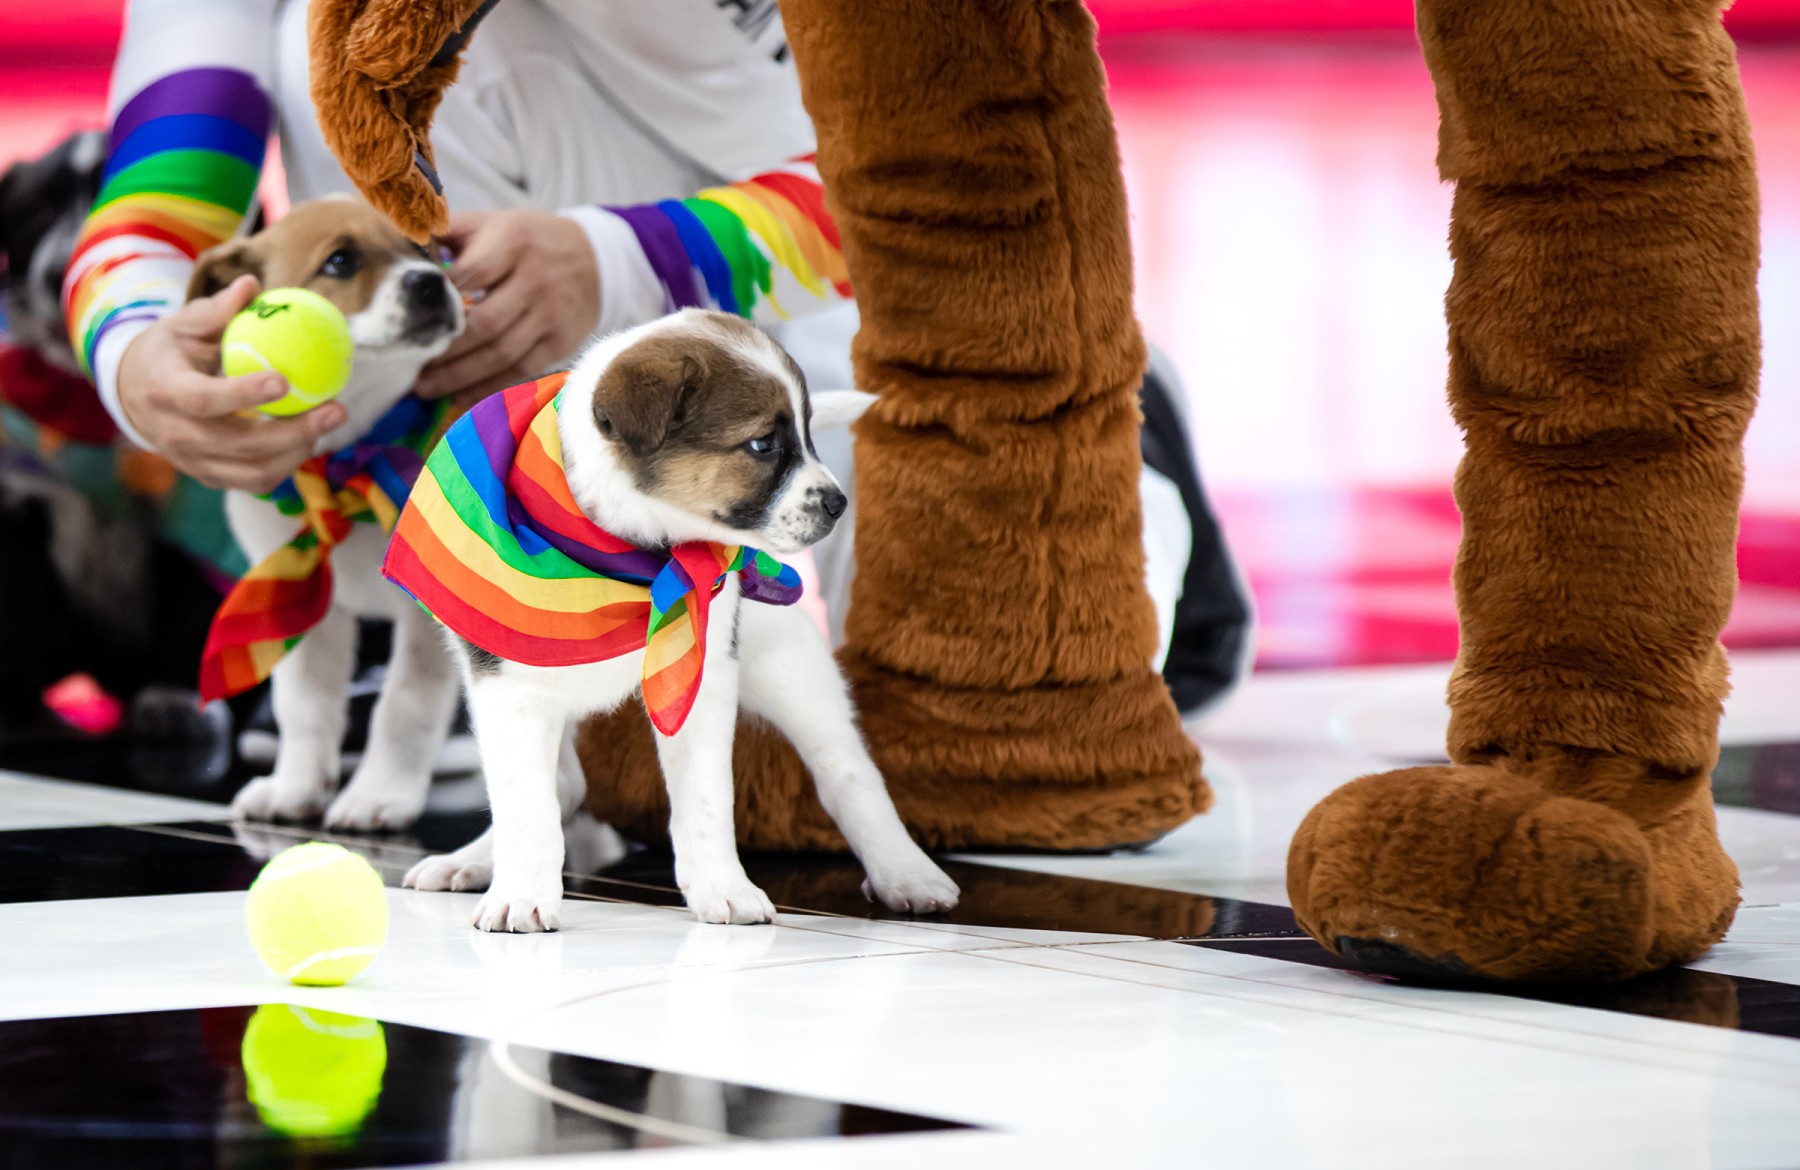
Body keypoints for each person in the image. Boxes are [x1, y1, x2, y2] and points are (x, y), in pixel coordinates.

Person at [66, 0, 1250, 715]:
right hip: (604, 279)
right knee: (336, 37)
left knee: (983, 686)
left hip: (885, 277)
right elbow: (170, 156)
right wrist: (139, 363)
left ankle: (1109, 422)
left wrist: (618, 258)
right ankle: (519, 552)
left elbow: (965, 160)